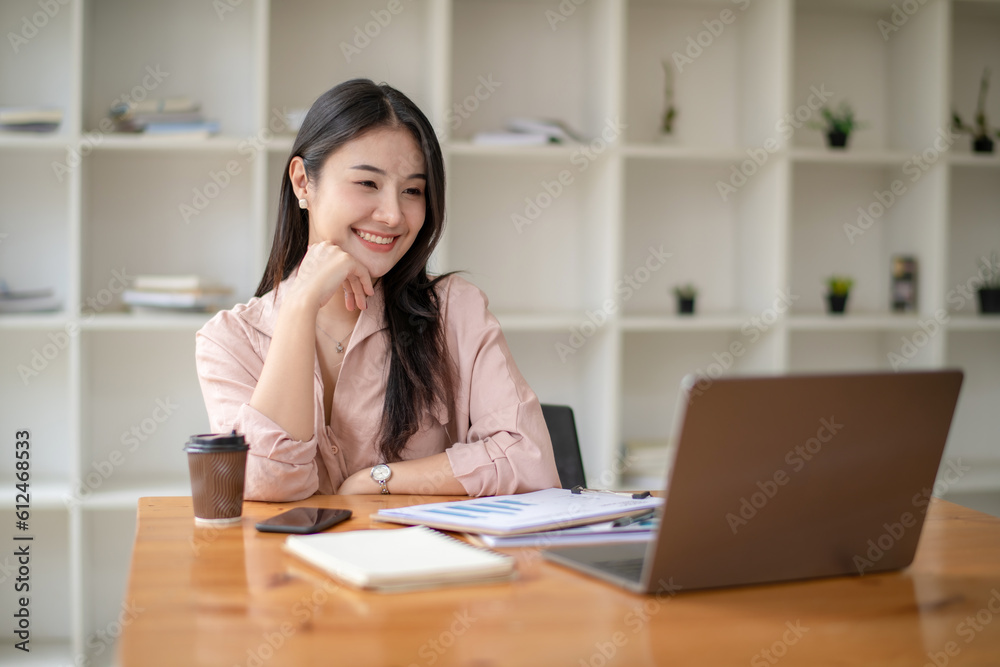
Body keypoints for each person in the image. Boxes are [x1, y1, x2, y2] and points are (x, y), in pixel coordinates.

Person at [195, 79, 560, 502]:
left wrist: (378, 479)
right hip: (284, 568)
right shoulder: (228, 341)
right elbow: (267, 483)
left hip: (423, 566)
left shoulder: (455, 312)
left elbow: (529, 461)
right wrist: (298, 308)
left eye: (412, 191)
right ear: (302, 183)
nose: (392, 215)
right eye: (367, 184)